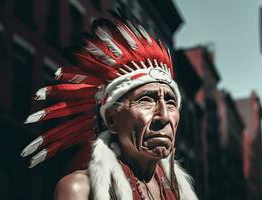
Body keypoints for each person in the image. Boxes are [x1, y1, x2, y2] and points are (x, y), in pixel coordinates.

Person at [21, 12, 198, 200]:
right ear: (111, 119)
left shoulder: (177, 192)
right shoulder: (80, 190)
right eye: (146, 100)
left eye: (171, 102)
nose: (164, 116)